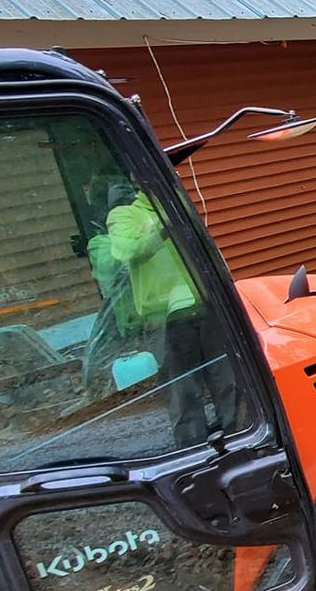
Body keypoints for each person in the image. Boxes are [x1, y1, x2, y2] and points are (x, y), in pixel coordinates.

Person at [101, 184, 237, 447]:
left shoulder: (181, 207)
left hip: (205, 308)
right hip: (165, 318)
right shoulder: (125, 215)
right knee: (182, 391)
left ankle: (239, 439)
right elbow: (128, 251)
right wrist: (164, 226)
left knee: (227, 381)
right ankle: (194, 451)